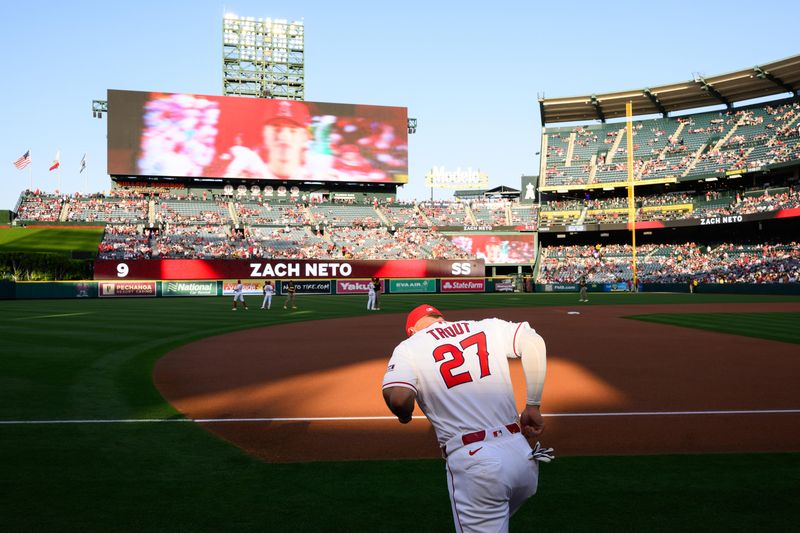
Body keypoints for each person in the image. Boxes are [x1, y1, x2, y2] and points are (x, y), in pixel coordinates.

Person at [382, 304, 553, 532]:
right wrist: (533, 404)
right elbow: (533, 342)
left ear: (412, 330)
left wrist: (404, 416)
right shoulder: (485, 326)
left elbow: (400, 399)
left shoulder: (409, 347)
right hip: (522, 455)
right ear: (441, 318)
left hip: (478, 464)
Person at [224, 100, 312, 180]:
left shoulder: (318, 176)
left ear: (303, 137)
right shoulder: (244, 175)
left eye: (293, 130)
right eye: (276, 129)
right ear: (264, 134)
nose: (284, 136)